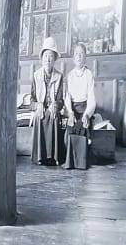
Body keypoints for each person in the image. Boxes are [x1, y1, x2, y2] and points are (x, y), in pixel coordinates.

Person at [26, 43, 66, 166]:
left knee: (53, 115)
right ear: (42, 59)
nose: (48, 59)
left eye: (51, 56)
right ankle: (40, 156)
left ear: (54, 60)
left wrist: (56, 106)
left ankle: (53, 157)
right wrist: (38, 105)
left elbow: (60, 100)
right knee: (40, 116)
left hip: (52, 107)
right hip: (40, 107)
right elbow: (31, 99)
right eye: (46, 56)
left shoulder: (59, 76)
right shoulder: (36, 75)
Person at [61, 42, 96, 170]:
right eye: (76, 54)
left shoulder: (89, 74)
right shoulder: (70, 76)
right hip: (73, 110)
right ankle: (71, 162)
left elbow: (92, 98)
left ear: (85, 57)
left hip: (85, 109)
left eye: (81, 54)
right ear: (73, 58)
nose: (79, 57)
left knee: (82, 127)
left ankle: (81, 162)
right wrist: (70, 112)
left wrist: (87, 114)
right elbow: (67, 97)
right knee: (70, 130)